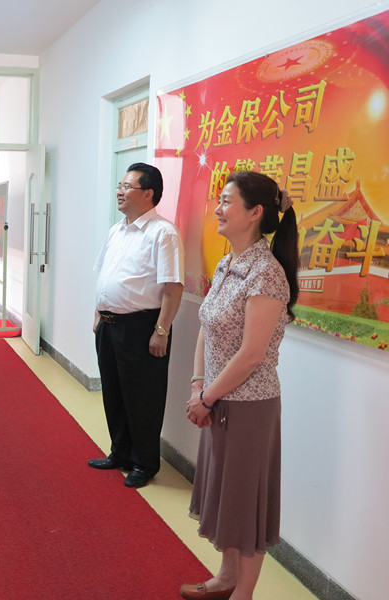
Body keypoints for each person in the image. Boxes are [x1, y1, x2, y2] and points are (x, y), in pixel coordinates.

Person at [181, 170, 298, 600]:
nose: (218, 208)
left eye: (227, 201)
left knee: (246, 503)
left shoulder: (266, 273)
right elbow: (207, 327)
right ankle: (226, 578)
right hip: (217, 400)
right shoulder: (228, 263)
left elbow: (251, 354)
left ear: (255, 213)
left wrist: (207, 397)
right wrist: (198, 386)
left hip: (249, 407)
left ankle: (242, 593)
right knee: (228, 497)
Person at [88, 162, 184, 488]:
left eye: (127, 187)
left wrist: (161, 331)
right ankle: (120, 453)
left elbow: (172, 288)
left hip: (142, 327)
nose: (120, 191)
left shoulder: (163, 233)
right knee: (114, 392)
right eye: (120, 185)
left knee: (143, 397)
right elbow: (105, 275)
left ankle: (144, 463)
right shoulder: (117, 230)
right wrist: (98, 315)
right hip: (109, 325)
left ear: (148, 194)